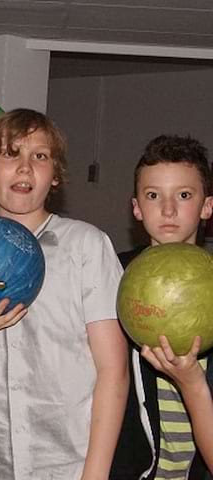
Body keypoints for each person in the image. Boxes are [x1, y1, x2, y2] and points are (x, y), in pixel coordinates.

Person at [0, 108, 129, 479]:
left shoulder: (86, 247)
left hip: (70, 467)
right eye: (10, 154)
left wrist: (95, 475)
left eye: (39, 156)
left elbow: (113, 371)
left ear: (55, 175)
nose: (25, 168)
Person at [110, 134, 213, 479]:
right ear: (136, 207)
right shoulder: (109, 277)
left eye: (184, 195)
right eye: (153, 196)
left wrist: (191, 382)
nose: (168, 210)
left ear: (207, 206)